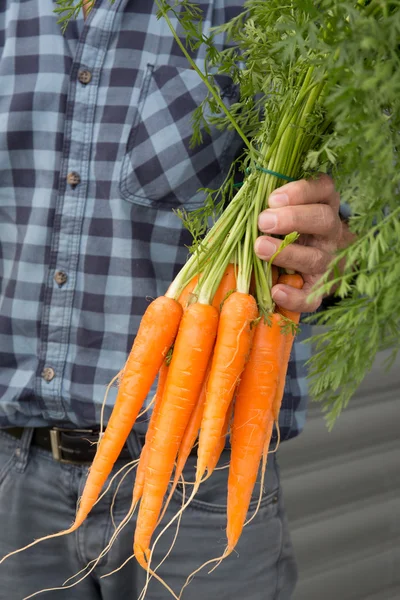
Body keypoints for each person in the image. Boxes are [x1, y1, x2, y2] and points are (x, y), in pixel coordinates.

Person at [0, 2, 352, 599]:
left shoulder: (272, 14)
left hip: (203, 489)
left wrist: (338, 259)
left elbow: (357, 241)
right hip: (13, 475)